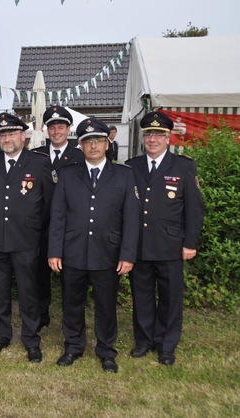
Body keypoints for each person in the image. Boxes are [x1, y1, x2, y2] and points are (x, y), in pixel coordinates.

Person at [48, 118, 140, 373]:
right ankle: (73, 346)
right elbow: (58, 215)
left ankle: (106, 350)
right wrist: (55, 250)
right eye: (88, 141)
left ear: (107, 143)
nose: (94, 146)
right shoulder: (68, 175)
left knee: (106, 305)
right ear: (81, 146)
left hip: (107, 253)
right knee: (72, 303)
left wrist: (128, 255)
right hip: (73, 251)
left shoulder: (124, 175)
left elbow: (131, 220)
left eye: (98, 140)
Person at [126, 111, 204, 366]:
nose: (153, 139)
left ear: (168, 138)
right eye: (149, 134)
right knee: (142, 296)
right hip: (139, 245)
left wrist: (190, 243)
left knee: (170, 298)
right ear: (143, 137)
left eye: (159, 134)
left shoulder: (183, 166)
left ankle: (167, 345)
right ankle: (145, 340)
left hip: (171, 245)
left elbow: (194, 209)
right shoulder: (131, 166)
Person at [0, 113, 55, 362]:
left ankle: (31, 340)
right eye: (3, 134)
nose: (7, 138)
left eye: (12, 133)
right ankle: (0, 337)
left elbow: (48, 204)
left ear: (23, 136)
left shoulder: (39, 163)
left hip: (26, 240)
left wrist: (33, 227)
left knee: (28, 293)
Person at [33, 106, 85, 331]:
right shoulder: (35, 154)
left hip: (71, 226)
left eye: (61, 127)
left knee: (70, 277)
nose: (56, 132)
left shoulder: (81, 155)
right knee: (40, 273)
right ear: (46, 130)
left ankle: (70, 318)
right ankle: (42, 314)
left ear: (69, 129)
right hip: (41, 225)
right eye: (52, 127)